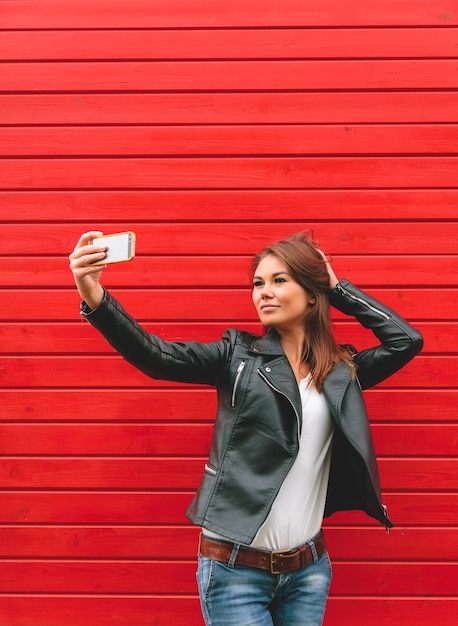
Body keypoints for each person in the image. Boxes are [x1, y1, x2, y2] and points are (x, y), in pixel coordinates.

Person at [69, 230, 423, 626]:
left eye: (279, 280)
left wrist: (337, 287)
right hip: (234, 571)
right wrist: (93, 295)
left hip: (309, 570)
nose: (263, 292)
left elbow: (405, 340)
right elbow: (156, 355)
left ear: (312, 293)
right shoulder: (236, 357)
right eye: (258, 283)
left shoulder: (341, 371)